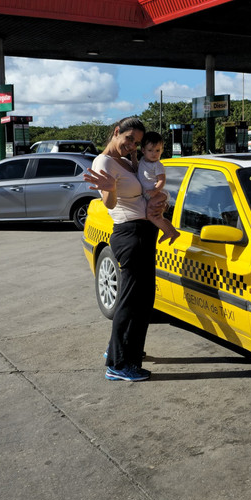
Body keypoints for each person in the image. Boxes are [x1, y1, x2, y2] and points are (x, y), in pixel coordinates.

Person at [83, 117, 166, 382]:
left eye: (137, 143)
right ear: (117, 131)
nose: (132, 145)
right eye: (129, 139)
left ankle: (122, 350)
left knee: (142, 300)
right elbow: (110, 203)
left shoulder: (127, 161)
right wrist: (110, 190)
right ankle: (118, 364)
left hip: (142, 232)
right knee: (132, 301)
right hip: (131, 235)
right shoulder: (104, 162)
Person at [137, 131, 179, 245]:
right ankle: (174, 232)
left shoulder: (157, 165)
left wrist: (155, 190)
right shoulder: (142, 161)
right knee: (158, 216)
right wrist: (132, 156)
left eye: (157, 150)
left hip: (159, 193)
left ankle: (167, 232)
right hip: (152, 194)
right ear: (143, 150)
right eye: (150, 150)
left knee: (150, 214)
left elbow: (162, 180)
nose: (154, 154)